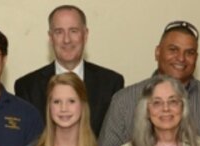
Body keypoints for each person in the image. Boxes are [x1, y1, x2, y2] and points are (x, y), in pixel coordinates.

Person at [14, 4, 124, 136]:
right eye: (59, 32)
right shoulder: (27, 87)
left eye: (73, 31)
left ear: (85, 35)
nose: (66, 40)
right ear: (50, 37)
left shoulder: (111, 83)